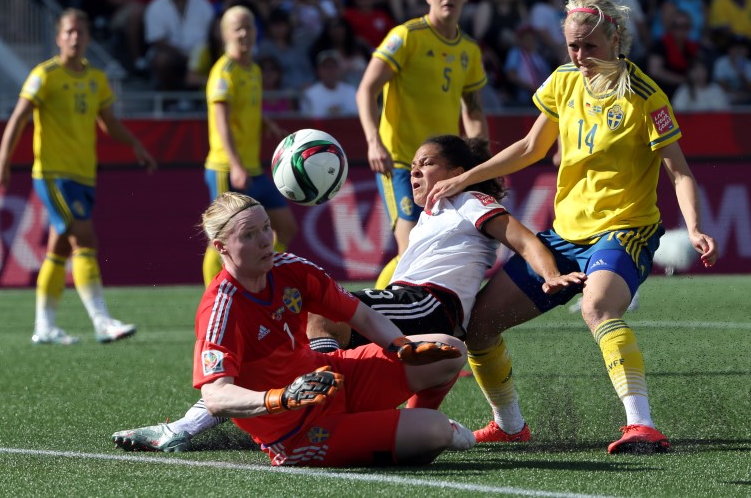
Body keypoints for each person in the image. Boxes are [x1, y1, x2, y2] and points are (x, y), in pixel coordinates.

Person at [111, 136, 584, 452]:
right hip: (416, 302)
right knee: (331, 337)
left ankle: (317, 395)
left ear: (460, 171)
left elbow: (522, 238)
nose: (415, 171)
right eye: (413, 165)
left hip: (428, 302)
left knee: (323, 320)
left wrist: (547, 274)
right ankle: (199, 425)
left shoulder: (469, 200)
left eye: (427, 164)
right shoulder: (432, 213)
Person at [427, 0, 719, 453]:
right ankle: (509, 424)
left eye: (589, 46)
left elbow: (679, 171)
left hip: (624, 231)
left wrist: (695, 226)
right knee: (478, 326)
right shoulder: (564, 80)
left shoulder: (646, 96)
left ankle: (641, 424)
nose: (579, 57)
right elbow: (529, 148)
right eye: (572, 47)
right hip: (564, 234)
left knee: (597, 307)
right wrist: (465, 177)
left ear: (615, 39)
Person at [115, 192, 476, 466]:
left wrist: (400, 347)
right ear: (221, 247)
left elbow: (362, 317)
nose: (265, 241)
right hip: (297, 432)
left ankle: (402, 425)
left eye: (266, 229)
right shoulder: (220, 308)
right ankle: (415, 429)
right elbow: (216, 397)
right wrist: (282, 397)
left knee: (450, 350)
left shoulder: (290, 268)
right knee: (436, 431)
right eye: (250, 235)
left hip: (332, 378)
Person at [0, 9, 157, 345]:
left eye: (81, 32)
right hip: (54, 173)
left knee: (59, 248)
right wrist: (1, 162)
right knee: (85, 238)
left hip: (84, 174)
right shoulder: (44, 75)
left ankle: (44, 327)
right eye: (69, 32)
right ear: (58, 37)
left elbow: (107, 122)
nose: (75, 38)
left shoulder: (96, 79)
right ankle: (101, 321)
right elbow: (19, 117)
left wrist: (135, 144)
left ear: (89, 38)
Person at [356, 0, 488, 291]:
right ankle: (365, 315)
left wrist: (482, 163)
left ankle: (402, 313)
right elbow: (366, 89)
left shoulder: (469, 50)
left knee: (432, 248)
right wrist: (374, 141)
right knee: (410, 246)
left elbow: (472, 112)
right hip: (402, 162)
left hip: (444, 168)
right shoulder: (406, 37)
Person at [201, 6, 297, 285]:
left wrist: (265, 121)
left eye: (249, 27)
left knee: (286, 228)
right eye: (237, 28)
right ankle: (215, 296)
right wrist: (236, 165)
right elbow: (221, 122)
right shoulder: (224, 72)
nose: (244, 33)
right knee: (221, 237)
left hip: (252, 168)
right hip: (226, 167)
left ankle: (260, 279)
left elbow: (245, 108)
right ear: (225, 35)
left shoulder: (253, 69)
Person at [299, 50, 359, 118]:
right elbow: (307, 122)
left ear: (339, 69)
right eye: (326, 67)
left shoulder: (351, 91)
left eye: (333, 66)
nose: (330, 71)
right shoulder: (309, 95)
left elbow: (356, 117)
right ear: (318, 70)